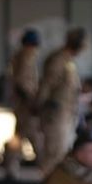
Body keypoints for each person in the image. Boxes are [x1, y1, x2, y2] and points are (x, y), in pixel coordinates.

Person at [36, 28, 85, 173]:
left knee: (62, 152)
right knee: (54, 152)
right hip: (56, 113)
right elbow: (47, 84)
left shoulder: (69, 61)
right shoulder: (58, 59)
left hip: (67, 112)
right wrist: (40, 105)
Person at [4, 28, 40, 178]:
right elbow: (23, 82)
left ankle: (11, 167)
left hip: (20, 104)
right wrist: (32, 102)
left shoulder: (19, 56)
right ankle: (48, 167)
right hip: (26, 104)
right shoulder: (27, 56)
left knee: (19, 135)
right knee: (34, 136)